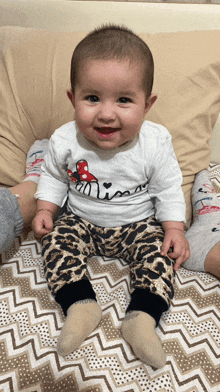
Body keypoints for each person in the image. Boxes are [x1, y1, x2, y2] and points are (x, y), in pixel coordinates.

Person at [29, 25, 190, 368]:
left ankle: (143, 318)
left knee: (158, 257)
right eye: (92, 98)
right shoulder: (64, 139)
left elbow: (167, 189)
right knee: (56, 244)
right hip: (80, 219)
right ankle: (80, 304)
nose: (105, 113)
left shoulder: (155, 142)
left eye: (124, 100)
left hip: (137, 223)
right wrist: (45, 208)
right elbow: (55, 177)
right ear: (73, 99)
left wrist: (174, 229)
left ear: (147, 104)